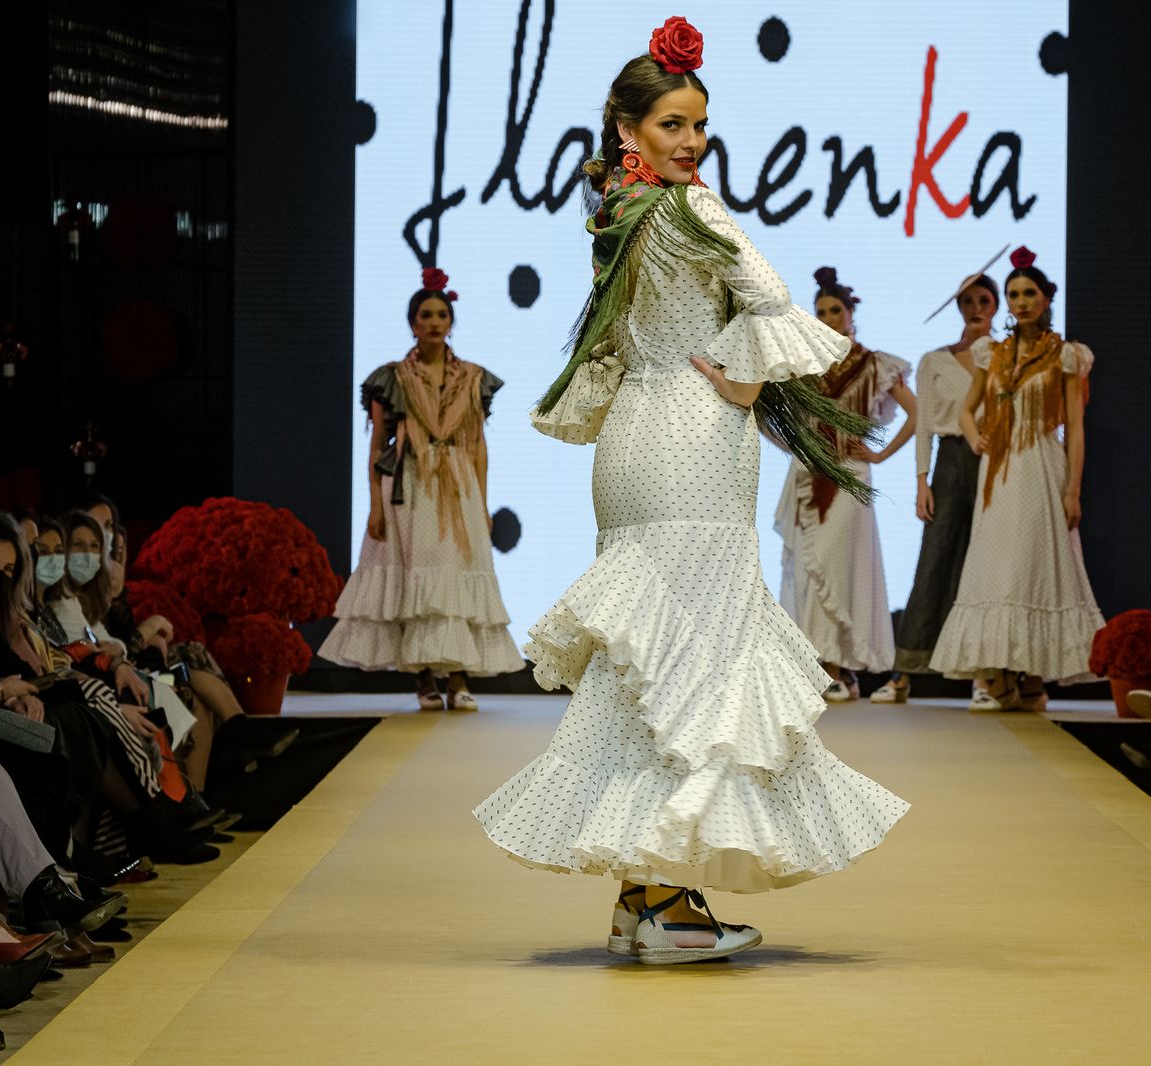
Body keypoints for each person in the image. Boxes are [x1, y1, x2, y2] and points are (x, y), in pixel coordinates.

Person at [475, 18, 908, 966]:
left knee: (647, 662)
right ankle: (669, 904)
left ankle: (646, 893)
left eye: (699, 125)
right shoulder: (691, 210)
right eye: (673, 123)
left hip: (633, 442)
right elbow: (770, 293)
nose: (691, 142)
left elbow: (617, 346)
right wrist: (749, 380)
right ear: (627, 128)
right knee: (701, 663)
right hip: (696, 442)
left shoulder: (613, 213)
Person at [320, 269, 524, 710]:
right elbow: (377, 447)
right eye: (425, 315)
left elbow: (480, 446)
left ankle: (459, 677)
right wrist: (374, 506)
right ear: (412, 323)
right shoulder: (390, 378)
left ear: (452, 322)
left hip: (457, 486)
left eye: (442, 314)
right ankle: (426, 679)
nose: (434, 322)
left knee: (455, 574)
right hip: (408, 485)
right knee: (417, 576)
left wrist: (483, 503)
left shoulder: (473, 378)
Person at [929, 247, 1105, 710]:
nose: (1021, 301)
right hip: (999, 470)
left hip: (1040, 464)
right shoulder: (993, 353)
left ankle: (1030, 677)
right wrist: (975, 438)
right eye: (1013, 294)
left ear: (1046, 298)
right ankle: (999, 674)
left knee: (1032, 565)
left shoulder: (1065, 355)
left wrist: (1072, 489)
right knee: (995, 565)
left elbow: (1076, 428)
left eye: (1029, 293)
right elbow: (968, 411)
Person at [774, 266, 914, 701]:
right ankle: (829, 670)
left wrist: (880, 452)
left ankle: (839, 668)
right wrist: (797, 445)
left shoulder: (875, 365)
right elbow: (770, 415)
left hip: (850, 478)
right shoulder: (802, 365)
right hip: (809, 473)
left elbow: (918, 413)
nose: (829, 317)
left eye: (835, 310)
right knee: (810, 572)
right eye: (821, 311)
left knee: (838, 568)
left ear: (851, 313)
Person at [883, 268, 1001, 700]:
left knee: (984, 567)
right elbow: (926, 426)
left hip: (995, 462)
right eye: (967, 302)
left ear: (995, 307)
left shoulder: (1006, 359)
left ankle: (983, 676)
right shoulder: (935, 360)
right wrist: (921, 481)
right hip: (951, 462)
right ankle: (904, 673)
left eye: (984, 302)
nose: (975, 310)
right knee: (934, 558)